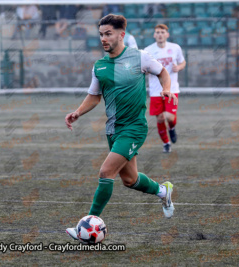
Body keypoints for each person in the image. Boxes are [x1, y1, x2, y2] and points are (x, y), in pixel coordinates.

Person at [64, 14, 177, 241]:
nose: (103, 39)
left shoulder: (140, 58)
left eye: (108, 34)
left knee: (106, 172)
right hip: (113, 130)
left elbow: (163, 72)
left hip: (134, 128)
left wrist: (167, 88)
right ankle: (163, 191)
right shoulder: (100, 66)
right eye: (101, 35)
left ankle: (85, 225)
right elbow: (94, 96)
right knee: (130, 180)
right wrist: (77, 112)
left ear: (121, 35)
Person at [144, 24, 186, 153]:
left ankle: (172, 128)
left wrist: (178, 68)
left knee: (169, 117)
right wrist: (146, 71)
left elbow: (182, 62)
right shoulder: (148, 51)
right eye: (157, 32)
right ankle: (166, 143)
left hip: (172, 89)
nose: (160, 34)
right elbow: (143, 68)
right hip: (155, 91)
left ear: (167, 34)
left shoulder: (175, 48)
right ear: (154, 35)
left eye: (162, 32)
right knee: (160, 118)